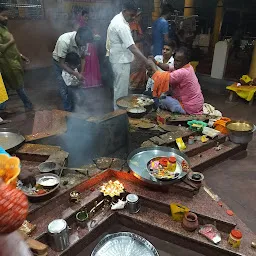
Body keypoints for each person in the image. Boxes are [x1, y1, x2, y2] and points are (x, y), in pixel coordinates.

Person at [106, 0, 150, 109]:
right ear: (124, 11)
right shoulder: (121, 25)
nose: (133, 18)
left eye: (135, 15)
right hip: (120, 61)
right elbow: (132, 47)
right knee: (121, 91)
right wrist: (146, 61)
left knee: (119, 88)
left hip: (118, 60)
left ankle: (119, 112)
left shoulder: (118, 18)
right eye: (131, 15)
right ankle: (119, 114)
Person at [149, 47, 204, 115]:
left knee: (161, 100)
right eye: (174, 60)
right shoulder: (188, 66)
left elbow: (161, 78)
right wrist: (156, 62)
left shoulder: (183, 72)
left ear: (186, 61)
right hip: (196, 104)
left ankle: (181, 112)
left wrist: (152, 65)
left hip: (189, 108)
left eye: (178, 61)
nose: (175, 63)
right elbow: (167, 67)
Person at [52, 27, 93, 111]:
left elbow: (83, 58)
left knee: (75, 85)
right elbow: (62, 63)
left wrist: (81, 72)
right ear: (78, 37)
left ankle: (75, 107)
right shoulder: (64, 41)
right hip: (60, 64)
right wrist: (76, 74)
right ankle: (68, 111)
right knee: (64, 88)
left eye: (86, 43)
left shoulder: (84, 42)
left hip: (72, 63)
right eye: (84, 42)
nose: (85, 45)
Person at [0, 6, 33, 111]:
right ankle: (28, 104)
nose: (6, 18)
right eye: (3, 15)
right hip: (7, 63)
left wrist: (21, 56)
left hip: (13, 61)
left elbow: (12, 48)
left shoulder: (4, 28)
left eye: (7, 16)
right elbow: (2, 47)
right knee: (18, 85)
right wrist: (11, 41)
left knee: (9, 86)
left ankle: (2, 107)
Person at [129, 9, 147, 90]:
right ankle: (134, 85)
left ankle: (137, 84)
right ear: (136, 16)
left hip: (137, 47)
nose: (141, 18)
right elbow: (135, 38)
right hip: (136, 47)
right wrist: (143, 37)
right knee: (137, 66)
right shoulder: (134, 24)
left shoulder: (134, 24)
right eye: (140, 16)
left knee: (139, 66)